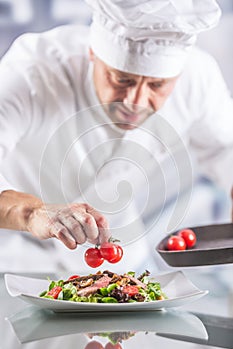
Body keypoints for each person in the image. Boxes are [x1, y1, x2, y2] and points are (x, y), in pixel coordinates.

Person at [0, 0, 232, 272]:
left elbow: (225, 148)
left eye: (157, 85)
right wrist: (32, 214)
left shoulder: (197, 78)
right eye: (122, 80)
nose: (136, 101)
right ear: (92, 54)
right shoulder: (34, 69)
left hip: (121, 259)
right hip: (15, 257)